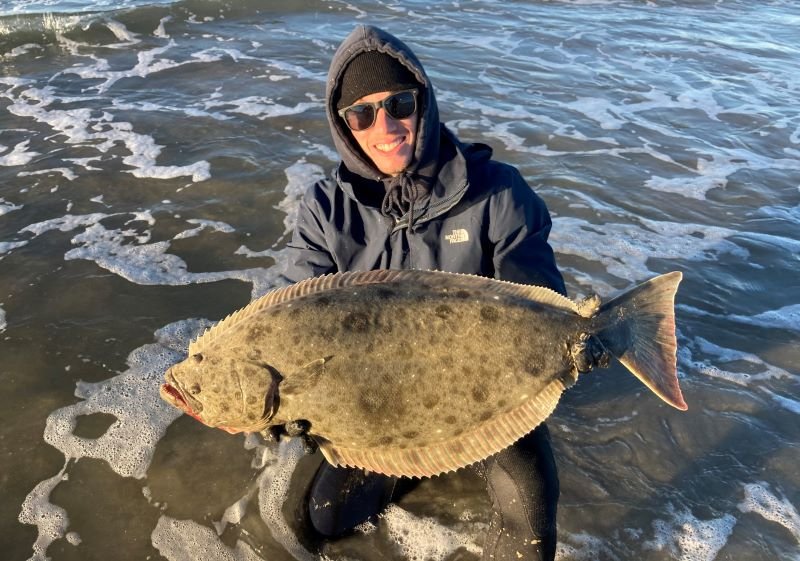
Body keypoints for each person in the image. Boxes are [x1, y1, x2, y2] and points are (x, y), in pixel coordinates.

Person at [281, 24, 605, 561]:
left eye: (399, 104)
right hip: (372, 403)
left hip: (486, 394)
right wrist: (286, 396)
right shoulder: (323, 209)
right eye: (362, 114)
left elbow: (538, 301)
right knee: (323, 523)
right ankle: (404, 472)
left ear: (424, 104)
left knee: (529, 540)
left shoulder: (501, 193)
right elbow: (296, 322)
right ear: (343, 126)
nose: (384, 127)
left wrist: (569, 340)